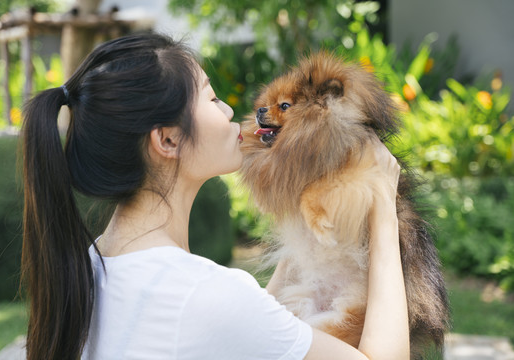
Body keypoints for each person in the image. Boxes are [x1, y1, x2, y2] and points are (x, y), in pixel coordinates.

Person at [21, 32, 409, 360]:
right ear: (168, 139)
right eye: (210, 99)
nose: (228, 111)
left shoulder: (91, 269)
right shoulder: (205, 295)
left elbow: (259, 324)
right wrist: (383, 205)